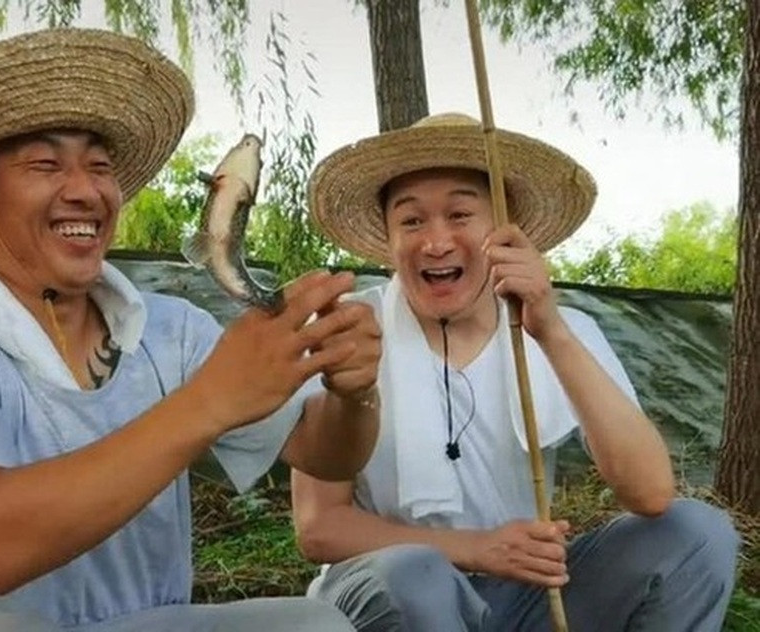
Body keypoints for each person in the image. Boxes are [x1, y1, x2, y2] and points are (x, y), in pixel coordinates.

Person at [0, 29, 382, 631]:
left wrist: (352, 390)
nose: (85, 191)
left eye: (99, 166)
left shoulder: (169, 332)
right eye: (45, 164)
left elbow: (325, 455)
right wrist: (211, 401)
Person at [291, 112, 740, 631]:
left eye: (460, 215)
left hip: (528, 594)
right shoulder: (351, 332)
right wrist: (476, 549)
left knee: (697, 534)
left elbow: (651, 493)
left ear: (504, 232)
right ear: (389, 240)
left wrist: (550, 330)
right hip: (386, 590)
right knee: (417, 575)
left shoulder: (559, 329)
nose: (435, 242)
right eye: (412, 221)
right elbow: (318, 527)